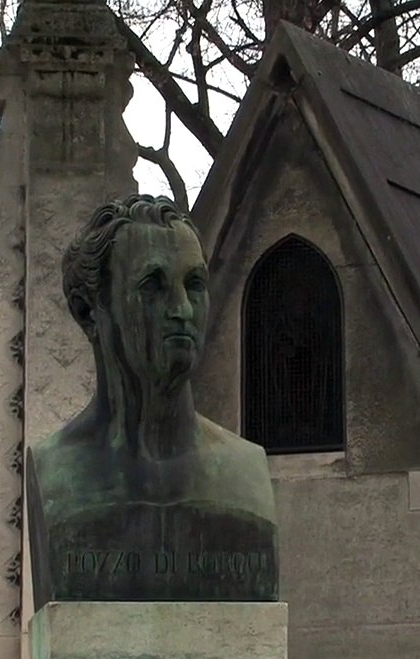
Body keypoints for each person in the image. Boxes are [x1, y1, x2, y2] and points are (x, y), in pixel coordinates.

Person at [25, 195, 278, 605]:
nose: (181, 309)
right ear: (89, 312)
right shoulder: (56, 474)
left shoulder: (244, 473)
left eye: (194, 284)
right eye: (152, 286)